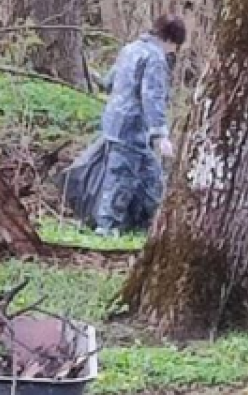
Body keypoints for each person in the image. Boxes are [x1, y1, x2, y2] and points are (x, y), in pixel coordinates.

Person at [59, 14, 185, 236]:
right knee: (121, 178)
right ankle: (106, 227)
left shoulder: (130, 49)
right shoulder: (155, 58)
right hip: (133, 127)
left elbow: (109, 82)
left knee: (151, 177)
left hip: (115, 122)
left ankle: (152, 225)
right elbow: (151, 96)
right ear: (171, 40)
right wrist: (160, 134)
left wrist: (92, 74)